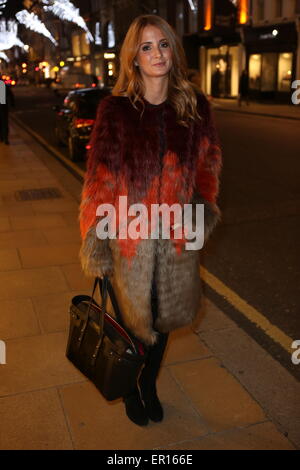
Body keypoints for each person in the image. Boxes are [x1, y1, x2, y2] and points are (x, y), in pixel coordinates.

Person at [79, 15, 222, 427]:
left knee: (163, 324)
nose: (156, 53)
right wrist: (99, 243)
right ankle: (130, 386)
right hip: (129, 240)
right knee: (131, 326)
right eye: (146, 47)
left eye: (163, 44)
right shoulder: (117, 111)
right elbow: (100, 181)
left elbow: (207, 168)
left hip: (176, 241)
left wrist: (198, 219)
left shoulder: (194, 106)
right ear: (134, 59)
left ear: (173, 52)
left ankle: (149, 385)